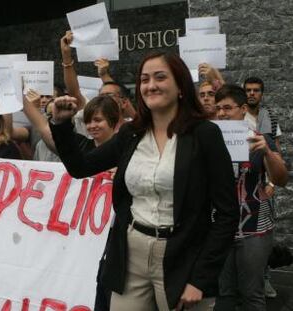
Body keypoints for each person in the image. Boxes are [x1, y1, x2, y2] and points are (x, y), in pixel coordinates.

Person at [49, 52, 239, 310]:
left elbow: (227, 213)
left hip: (182, 257)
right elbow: (81, 167)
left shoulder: (205, 135)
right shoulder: (131, 133)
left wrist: (200, 279)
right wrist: (60, 124)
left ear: (181, 86)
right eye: (144, 79)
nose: (151, 85)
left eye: (160, 77)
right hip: (130, 254)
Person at [213, 84, 287, 311]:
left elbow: (281, 178)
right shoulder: (210, 140)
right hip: (220, 227)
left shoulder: (260, 139)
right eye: (218, 109)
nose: (222, 113)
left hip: (254, 228)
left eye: (227, 108)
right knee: (223, 294)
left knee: (252, 295)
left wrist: (266, 152)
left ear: (243, 109)